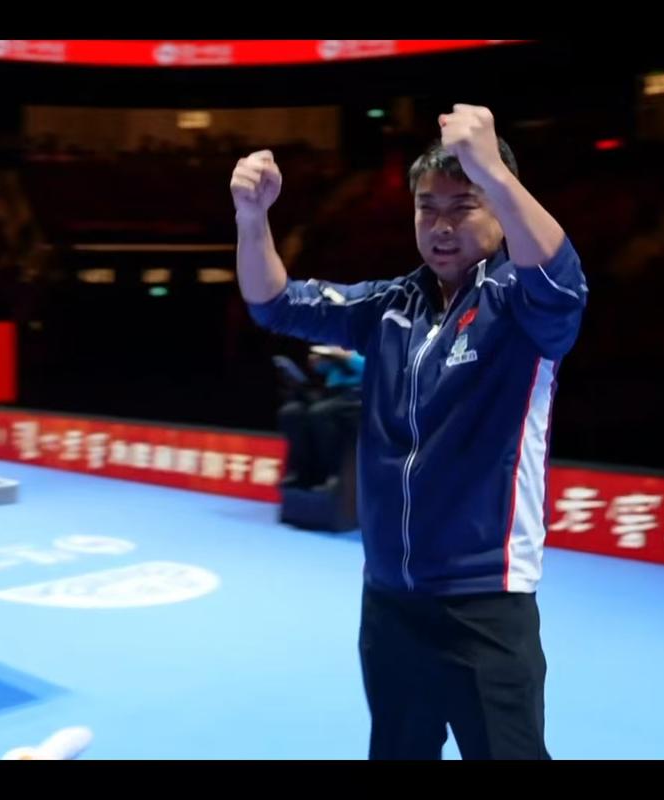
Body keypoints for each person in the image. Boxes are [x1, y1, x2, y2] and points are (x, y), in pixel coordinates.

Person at [230, 104, 587, 760]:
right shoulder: (389, 305)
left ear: (499, 208)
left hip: (484, 602)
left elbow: (563, 284)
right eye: (428, 209)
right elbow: (272, 302)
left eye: (463, 206)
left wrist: (492, 169)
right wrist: (251, 219)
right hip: (389, 601)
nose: (442, 226)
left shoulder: (520, 304)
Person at [276, 345, 364, 489]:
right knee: (291, 412)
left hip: (357, 394)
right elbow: (323, 370)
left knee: (320, 413)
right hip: (331, 393)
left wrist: (346, 357)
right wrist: (318, 363)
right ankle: (302, 473)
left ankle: (334, 474)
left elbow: (369, 369)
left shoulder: (369, 347)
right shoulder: (340, 345)